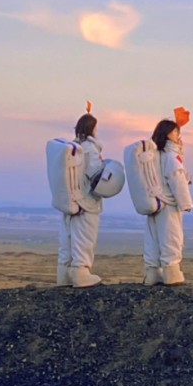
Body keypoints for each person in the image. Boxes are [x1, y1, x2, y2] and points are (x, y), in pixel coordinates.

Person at [57, 112, 105, 288]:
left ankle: (64, 275)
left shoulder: (71, 149)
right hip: (86, 201)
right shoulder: (89, 149)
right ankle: (80, 273)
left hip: (70, 201)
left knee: (68, 239)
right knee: (84, 238)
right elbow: (95, 175)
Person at [143, 118, 193, 286]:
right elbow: (176, 179)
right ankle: (172, 273)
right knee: (171, 236)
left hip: (154, 202)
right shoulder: (171, 158)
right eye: (174, 132)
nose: (177, 135)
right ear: (166, 134)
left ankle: (152, 273)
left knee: (153, 237)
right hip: (168, 204)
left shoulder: (153, 156)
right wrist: (186, 203)